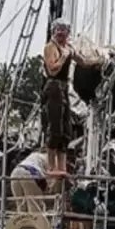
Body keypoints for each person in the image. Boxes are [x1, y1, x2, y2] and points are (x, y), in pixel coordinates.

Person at [41, 18, 98, 178]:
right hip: (53, 86)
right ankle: (51, 167)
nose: (61, 33)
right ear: (54, 31)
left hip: (64, 87)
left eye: (63, 30)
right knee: (55, 127)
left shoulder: (68, 48)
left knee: (66, 129)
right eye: (58, 30)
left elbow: (83, 61)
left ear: (68, 33)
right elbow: (52, 69)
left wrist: (98, 61)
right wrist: (63, 57)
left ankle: (62, 166)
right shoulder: (50, 47)